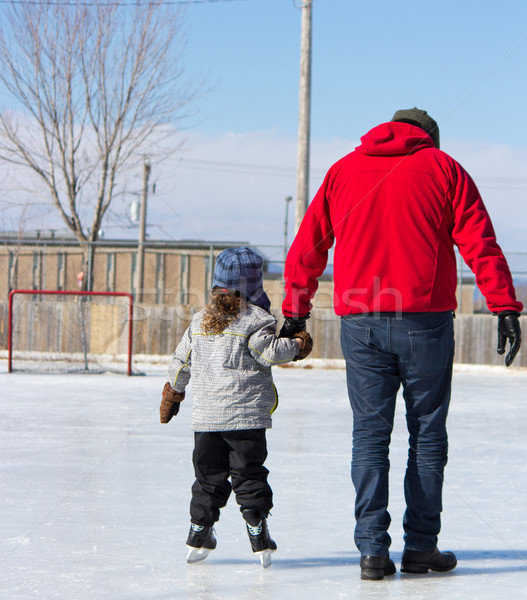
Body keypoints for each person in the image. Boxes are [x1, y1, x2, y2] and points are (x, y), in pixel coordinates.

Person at [280, 108, 523, 580]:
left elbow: (309, 244)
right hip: (425, 322)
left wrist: (295, 309)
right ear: (429, 138)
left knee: (369, 436)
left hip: (360, 322)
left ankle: (372, 552)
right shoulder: (445, 169)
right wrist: (504, 305)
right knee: (427, 435)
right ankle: (420, 548)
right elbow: (480, 242)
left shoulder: (342, 170)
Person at [160, 247, 313, 568]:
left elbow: (181, 361)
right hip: (245, 420)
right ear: (254, 286)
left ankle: (199, 533)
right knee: (248, 475)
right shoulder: (256, 319)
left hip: (207, 420)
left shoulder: (200, 321)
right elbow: (269, 353)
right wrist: (297, 345)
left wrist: (173, 394)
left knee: (207, 478)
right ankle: (258, 534)